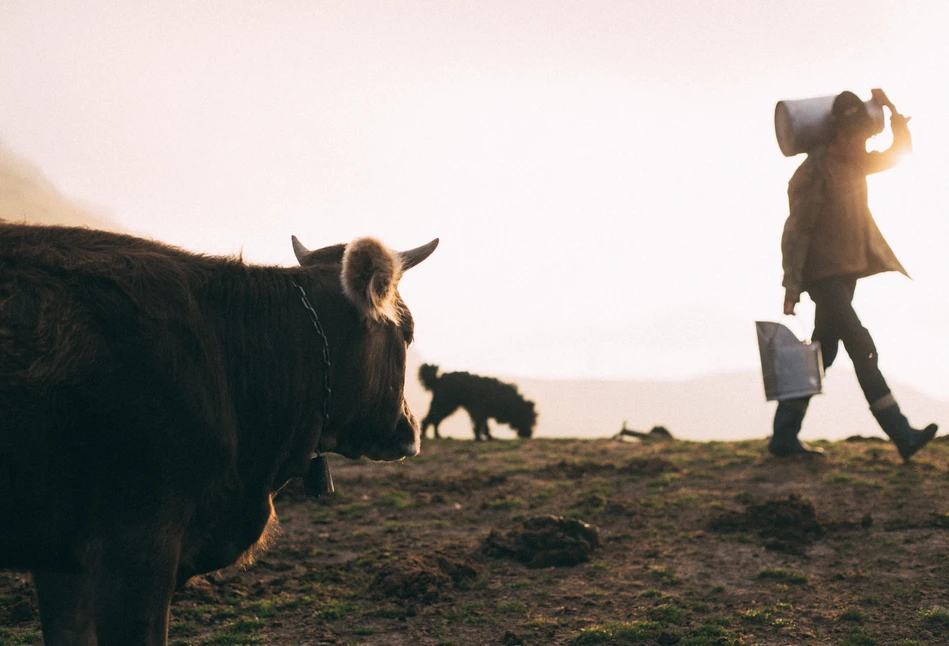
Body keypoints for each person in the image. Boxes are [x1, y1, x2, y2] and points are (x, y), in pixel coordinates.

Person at [771, 89, 938, 460]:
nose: (863, 144)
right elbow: (796, 233)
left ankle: (783, 436)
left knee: (823, 354)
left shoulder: (855, 162)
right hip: (822, 278)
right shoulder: (812, 174)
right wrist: (792, 286)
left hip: (846, 275)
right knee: (861, 346)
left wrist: (893, 112)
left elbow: (900, 154)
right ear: (838, 136)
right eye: (857, 138)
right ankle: (900, 431)